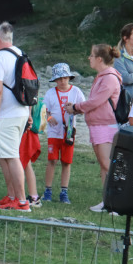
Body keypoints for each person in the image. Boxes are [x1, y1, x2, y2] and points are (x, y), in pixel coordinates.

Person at [63, 43, 123, 213]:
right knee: (103, 165)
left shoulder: (110, 78)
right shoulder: (102, 76)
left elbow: (96, 101)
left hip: (106, 126)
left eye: (91, 55)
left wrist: (76, 107)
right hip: (98, 125)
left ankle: (117, 202)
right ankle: (107, 201)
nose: (89, 58)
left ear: (99, 59)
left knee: (107, 164)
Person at [0, 22, 31, 212]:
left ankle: (21, 201)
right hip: (19, 112)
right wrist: (28, 112)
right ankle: (12, 196)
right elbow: (28, 85)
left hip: (4, 115)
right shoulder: (20, 54)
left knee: (11, 156)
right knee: (3, 156)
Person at [40, 63, 84, 204]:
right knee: (52, 160)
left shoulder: (76, 91)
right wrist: (49, 117)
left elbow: (83, 108)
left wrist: (74, 110)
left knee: (66, 161)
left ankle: (64, 192)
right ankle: (48, 190)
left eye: (65, 78)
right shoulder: (50, 93)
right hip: (54, 132)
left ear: (69, 77)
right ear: (55, 80)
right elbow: (44, 109)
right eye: (59, 79)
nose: (62, 81)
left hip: (69, 132)